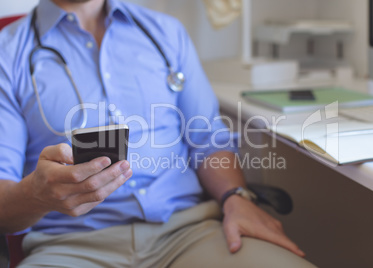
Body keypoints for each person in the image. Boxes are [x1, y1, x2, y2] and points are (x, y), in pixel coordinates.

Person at [0, 0, 316, 267]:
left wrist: (236, 197)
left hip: (190, 234)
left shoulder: (166, 33)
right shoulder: (8, 52)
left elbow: (207, 141)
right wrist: (34, 194)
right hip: (70, 248)